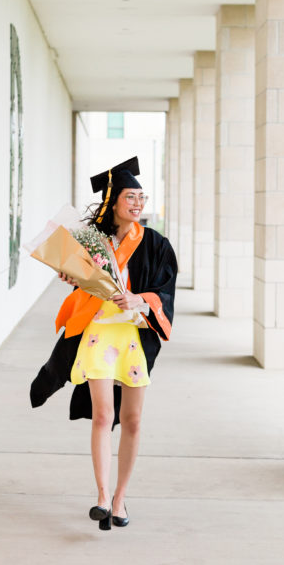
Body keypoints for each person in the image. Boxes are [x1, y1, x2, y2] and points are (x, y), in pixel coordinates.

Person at [30, 157, 177, 531]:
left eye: (142, 197)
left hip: (132, 339)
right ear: (113, 201)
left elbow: (165, 290)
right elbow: (84, 282)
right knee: (102, 416)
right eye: (131, 196)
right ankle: (100, 496)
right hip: (98, 332)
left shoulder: (156, 245)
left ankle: (120, 498)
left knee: (132, 420)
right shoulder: (91, 242)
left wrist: (140, 300)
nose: (138, 203)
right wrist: (71, 274)